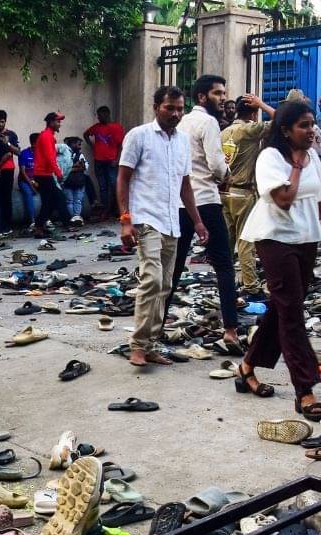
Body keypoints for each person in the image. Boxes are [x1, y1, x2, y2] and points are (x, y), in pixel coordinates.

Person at [237, 100, 321, 422]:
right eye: (303, 125)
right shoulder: (269, 158)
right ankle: (305, 389)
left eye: (312, 123)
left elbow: (320, 203)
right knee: (292, 311)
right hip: (275, 237)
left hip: (306, 239)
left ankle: (247, 366)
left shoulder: (314, 156)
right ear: (286, 130)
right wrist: (298, 164)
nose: (311, 130)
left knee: (282, 307)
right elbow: (285, 200)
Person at [117, 85, 206, 368]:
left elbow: (185, 186)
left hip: (172, 221)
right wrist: (125, 220)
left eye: (180, 109)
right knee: (152, 279)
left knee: (166, 285)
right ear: (156, 107)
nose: (176, 114)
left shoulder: (182, 142)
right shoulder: (139, 136)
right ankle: (139, 345)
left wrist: (198, 221)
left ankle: (152, 344)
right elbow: (123, 178)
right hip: (145, 218)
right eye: (170, 108)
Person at [161, 75, 241, 349]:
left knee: (173, 266)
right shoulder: (208, 122)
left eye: (223, 92)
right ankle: (230, 329)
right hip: (205, 199)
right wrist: (227, 174)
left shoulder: (179, 122)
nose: (223, 98)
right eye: (218, 93)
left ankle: (156, 326)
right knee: (224, 266)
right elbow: (217, 164)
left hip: (179, 202)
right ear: (203, 97)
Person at [222, 93, 277, 301]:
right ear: (253, 114)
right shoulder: (249, 130)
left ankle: (224, 281)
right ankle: (251, 286)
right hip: (244, 192)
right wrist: (262, 104)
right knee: (246, 242)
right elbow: (283, 118)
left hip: (225, 191)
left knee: (227, 243)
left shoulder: (225, 132)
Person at [84, 106, 125, 217]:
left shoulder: (116, 127)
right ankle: (105, 210)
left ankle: (117, 209)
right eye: (97, 115)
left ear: (106, 114)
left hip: (111, 161)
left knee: (114, 185)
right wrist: (93, 147)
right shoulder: (96, 127)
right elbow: (86, 134)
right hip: (99, 160)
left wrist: (117, 159)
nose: (98, 117)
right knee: (102, 187)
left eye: (100, 115)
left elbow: (121, 145)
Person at [33, 112, 66, 238]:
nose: (59, 124)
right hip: (43, 174)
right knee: (54, 199)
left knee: (49, 201)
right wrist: (58, 173)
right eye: (58, 121)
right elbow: (49, 157)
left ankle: (40, 226)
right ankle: (40, 226)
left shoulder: (47, 135)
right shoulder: (47, 136)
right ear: (51, 122)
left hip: (43, 173)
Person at [0, 110, 20, 229]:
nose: (0, 124)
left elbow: (18, 152)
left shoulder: (11, 134)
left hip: (8, 169)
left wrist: (7, 143)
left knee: (6, 197)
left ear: (5, 121)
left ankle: (8, 224)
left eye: (2, 122)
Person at [63, 136, 89, 225]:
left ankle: (77, 217)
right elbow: (64, 169)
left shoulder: (80, 155)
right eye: (78, 144)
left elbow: (84, 167)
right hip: (67, 181)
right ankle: (72, 219)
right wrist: (75, 166)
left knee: (77, 200)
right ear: (72, 144)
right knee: (69, 200)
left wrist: (73, 167)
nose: (80, 146)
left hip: (78, 181)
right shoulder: (65, 155)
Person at [18, 133, 38, 227]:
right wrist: (31, 185)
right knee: (28, 193)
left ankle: (47, 219)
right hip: (24, 180)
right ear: (34, 143)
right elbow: (23, 172)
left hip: (37, 179)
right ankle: (32, 220)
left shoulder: (41, 153)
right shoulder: (24, 153)